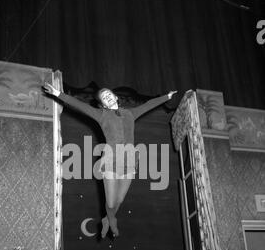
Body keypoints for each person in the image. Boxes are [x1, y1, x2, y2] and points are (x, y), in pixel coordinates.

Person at [43, 82, 177, 238]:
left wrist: (167, 97)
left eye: (109, 94)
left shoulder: (130, 113)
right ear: (103, 105)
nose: (107, 97)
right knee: (111, 203)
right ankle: (111, 218)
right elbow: (79, 105)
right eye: (104, 98)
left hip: (129, 161)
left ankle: (107, 219)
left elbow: (149, 104)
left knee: (120, 199)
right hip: (111, 161)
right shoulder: (101, 115)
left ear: (115, 97)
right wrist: (58, 94)